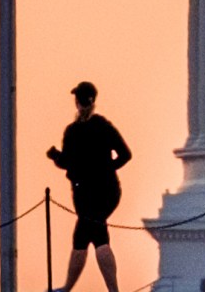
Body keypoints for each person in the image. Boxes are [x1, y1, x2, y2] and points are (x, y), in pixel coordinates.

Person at [45, 81, 131, 292]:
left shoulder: (74, 131)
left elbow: (66, 162)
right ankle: (71, 288)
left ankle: (79, 289)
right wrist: (108, 169)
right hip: (106, 191)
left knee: (93, 235)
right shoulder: (103, 127)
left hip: (88, 193)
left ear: (78, 103)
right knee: (87, 235)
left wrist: (54, 155)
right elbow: (125, 155)